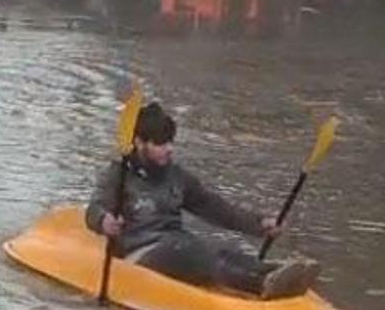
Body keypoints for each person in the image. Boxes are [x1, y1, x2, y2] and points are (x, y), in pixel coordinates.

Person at [86, 101, 319, 299]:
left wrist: (259, 225)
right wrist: (105, 221)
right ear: (139, 143)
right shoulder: (118, 175)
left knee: (221, 249)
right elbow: (93, 210)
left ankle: (276, 271)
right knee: (196, 253)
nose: (169, 149)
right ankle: (259, 285)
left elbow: (214, 207)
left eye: (171, 142)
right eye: (161, 144)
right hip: (138, 252)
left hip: (175, 243)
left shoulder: (176, 176)